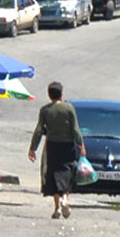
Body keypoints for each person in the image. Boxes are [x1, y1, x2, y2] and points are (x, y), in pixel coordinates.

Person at [27, 80, 86, 220]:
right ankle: (65, 199)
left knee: (53, 173)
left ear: (49, 95)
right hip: (68, 146)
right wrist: (81, 144)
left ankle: (57, 207)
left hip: (52, 146)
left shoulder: (45, 110)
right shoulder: (69, 108)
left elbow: (39, 130)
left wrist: (32, 148)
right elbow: (75, 129)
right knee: (67, 171)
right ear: (61, 94)